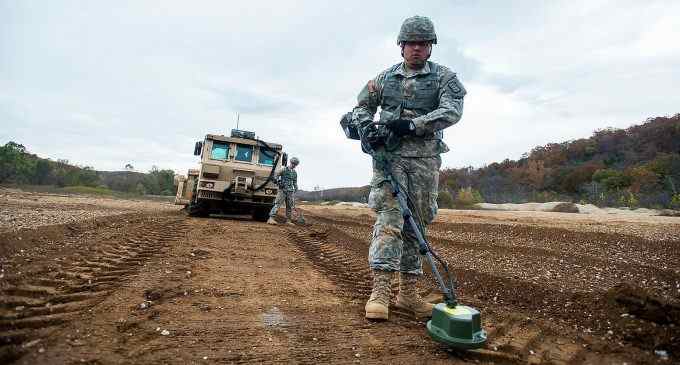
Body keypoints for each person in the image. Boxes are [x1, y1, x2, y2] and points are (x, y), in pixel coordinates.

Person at [351, 16, 466, 320]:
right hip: (389, 159)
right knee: (390, 219)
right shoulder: (385, 78)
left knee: (417, 223)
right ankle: (380, 294)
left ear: (430, 48)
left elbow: (452, 110)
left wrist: (414, 124)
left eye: (423, 43)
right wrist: (367, 128)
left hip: (425, 161)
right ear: (401, 46)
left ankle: (409, 295)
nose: (416, 48)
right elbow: (361, 106)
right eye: (411, 43)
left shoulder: (444, 78)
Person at [267, 157, 299, 225]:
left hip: (290, 191)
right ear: (290, 163)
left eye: (295, 164)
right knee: (278, 204)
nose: (294, 165)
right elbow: (276, 176)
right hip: (282, 190)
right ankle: (271, 218)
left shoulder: (294, 173)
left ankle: (288, 220)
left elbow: (295, 182)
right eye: (293, 164)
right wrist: (279, 183)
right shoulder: (283, 169)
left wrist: (296, 187)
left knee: (289, 206)